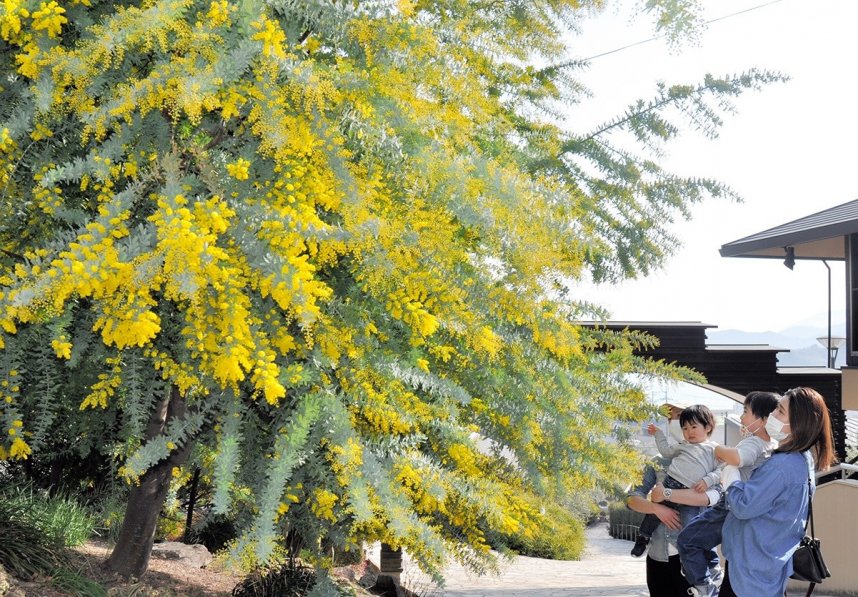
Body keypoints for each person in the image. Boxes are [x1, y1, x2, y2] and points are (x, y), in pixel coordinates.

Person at [717, 387, 835, 596]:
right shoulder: (803, 459)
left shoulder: (782, 465)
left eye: (780, 411)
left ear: (798, 423)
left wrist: (731, 477)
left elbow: (743, 506)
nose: (771, 415)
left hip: (749, 573)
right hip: (768, 567)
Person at [674, 391, 781, 597]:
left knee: (688, 539)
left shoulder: (755, 443)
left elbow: (738, 458)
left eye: (745, 411)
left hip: (730, 504)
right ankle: (711, 577)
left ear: (762, 419)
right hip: (746, 508)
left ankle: (704, 586)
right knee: (707, 543)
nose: (741, 417)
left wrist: (718, 450)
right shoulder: (772, 445)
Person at [630, 404, 720, 558]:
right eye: (682, 426)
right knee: (652, 518)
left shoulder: (715, 451)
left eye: (679, 414)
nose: (688, 431)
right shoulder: (660, 459)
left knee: (690, 526)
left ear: (707, 426)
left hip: (694, 554)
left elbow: (715, 493)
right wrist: (655, 508)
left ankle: (692, 559)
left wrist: (667, 493)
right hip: (659, 553)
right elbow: (632, 499)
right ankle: (643, 537)